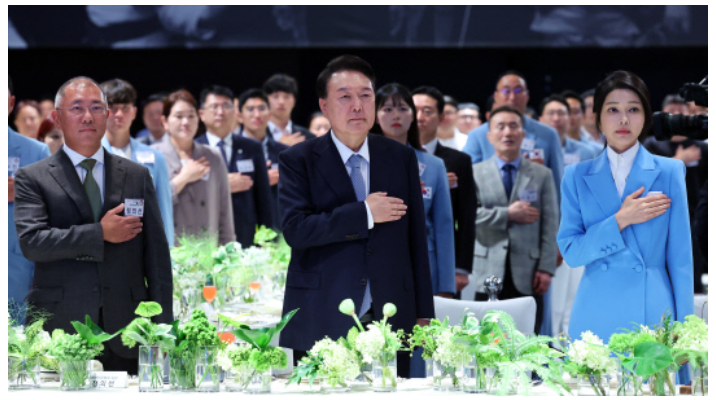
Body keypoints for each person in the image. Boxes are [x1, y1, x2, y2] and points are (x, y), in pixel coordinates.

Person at [278, 55, 434, 378]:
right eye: (345, 96)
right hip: (321, 309)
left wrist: (424, 312)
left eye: (365, 95)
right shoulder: (299, 159)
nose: (357, 106)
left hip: (390, 310)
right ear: (324, 106)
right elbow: (296, 230)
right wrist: (364, 213)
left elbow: (416, 238)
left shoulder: (400, 157)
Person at [14, 77, 173, 373]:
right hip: (60, 330)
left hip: (129, 328)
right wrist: (100, 233)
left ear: (107, 115)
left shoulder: (136, 175)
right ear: (57, 117)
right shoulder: (33, 177)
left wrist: (164, 329)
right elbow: (32, 243)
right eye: (77, 108)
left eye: (96, 108)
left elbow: (157, 258)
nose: (88, 116)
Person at [557, 71, 694, 345]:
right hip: (594, 312)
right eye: (612, 110)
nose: (623, 120)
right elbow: (571, 252)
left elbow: (681, 259)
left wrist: (685, 328)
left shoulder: (670, 171)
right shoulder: (576, 175)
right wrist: (620, 220)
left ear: (646, 117)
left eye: (633, 109)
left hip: (653, 310)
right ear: (597, 118)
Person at [472, 105, 559, 334]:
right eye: (500, 127)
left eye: (513, 126)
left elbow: (551, 223)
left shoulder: (542, 174)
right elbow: (471, 217)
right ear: (489, 136)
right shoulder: (474, 173)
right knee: (486, 341)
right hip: (488, 270)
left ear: (523, 134)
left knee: (527, 340)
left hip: (529, 272)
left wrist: (546, 268)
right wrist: (508, 214)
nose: (507, 133)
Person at [375, 83, 456, 297]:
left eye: (403, 108)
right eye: (387, 109)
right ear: (375, 117)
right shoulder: (362, 163)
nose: (396, 115)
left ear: (412, 116)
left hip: (421, 265)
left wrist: (446, 285)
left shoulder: (434, 165)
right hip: (373, 266)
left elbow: (444, 226)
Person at [538, 95, 597, 338]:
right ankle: (549, 348)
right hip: (545, 235)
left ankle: (571, 351)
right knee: (552, 303)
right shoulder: (533, 151)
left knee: (574, 299)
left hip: (580, 234)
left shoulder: (588, 151)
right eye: (551, 113)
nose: (557, 118)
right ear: (540, 118)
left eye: (562, 113)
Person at [412, 86, 477, 296]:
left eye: (427, 111)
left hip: (443, 257)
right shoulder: (394, 157)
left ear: (441, 117)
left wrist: (461, 268)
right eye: (414, 110)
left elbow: (466, 218)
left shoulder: (458, 161)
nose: (419, 117)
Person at [150, 89, 234, 246]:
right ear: (165, 121)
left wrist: (229, 249)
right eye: (179, 116)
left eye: (191, 116)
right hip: (169, 248)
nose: (185, 122)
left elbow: (225, 210)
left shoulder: (213, 156)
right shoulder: (153, 156)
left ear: (198, 118)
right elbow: (148, 205)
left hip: (207, 249)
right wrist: (182, 179)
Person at [463, 71, 564, 200]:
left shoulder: (548, 134)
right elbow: (468, 179)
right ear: (496, 96)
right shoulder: (478, 135)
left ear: (527, 96)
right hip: (492, 204)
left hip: (534, 206)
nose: (512, 97)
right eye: (506, 91)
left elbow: (557, 182)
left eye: (518, 91)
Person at [195, 85, 275, 248]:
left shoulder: (252, 147)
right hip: (204, 235)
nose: (220, 112)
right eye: (214, 107)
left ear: (235, 112)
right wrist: (224, 184)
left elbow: (264, 200)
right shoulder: (193, 149)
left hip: (246, 237)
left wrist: (267, 242)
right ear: (201, 114)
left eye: (226, 106)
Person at [98, 79, 174, 245]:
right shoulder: (89, 155)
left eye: (125, 108)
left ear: (134, 112)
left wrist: (167, 254)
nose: (119, 114)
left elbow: (164, 211)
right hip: (102, 245)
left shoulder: (154, 157)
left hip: (142, 245)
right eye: (112, 108)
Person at [643, 104, 707, 294]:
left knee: (692, 275)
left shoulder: (702, 147)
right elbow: (646, 181)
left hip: (694, 218)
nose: (677, 116)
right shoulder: (651, 146)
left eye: (681, 112)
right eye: (671, 112)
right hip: (659, 219)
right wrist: (678, 161)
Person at [8, 76, 52, 310]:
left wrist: (24, 192)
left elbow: (52, 210)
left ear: (10, 103)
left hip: (18, 270)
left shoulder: (36, 151)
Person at [236, 88, 289, 230]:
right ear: (239, 116)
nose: (257, 115)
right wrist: (262, 179)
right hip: (241, 226)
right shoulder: (230, 150)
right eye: (250, 109)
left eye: (261, 109)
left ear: (270, 114)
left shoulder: (285, 152)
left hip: (278, 225)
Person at [263, 73, 316, 146]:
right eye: (276, 97)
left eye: (286, 97)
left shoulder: (308, 137)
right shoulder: (257, 134)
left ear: (294, 101)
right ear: (266, 101)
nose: (281, 102)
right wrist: (281, 146)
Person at [561, 90, 603, 156]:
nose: (593, 110)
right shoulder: (550, 147)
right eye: (566, 112)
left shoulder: (598, 150)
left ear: (583, 115)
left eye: (575, 112)